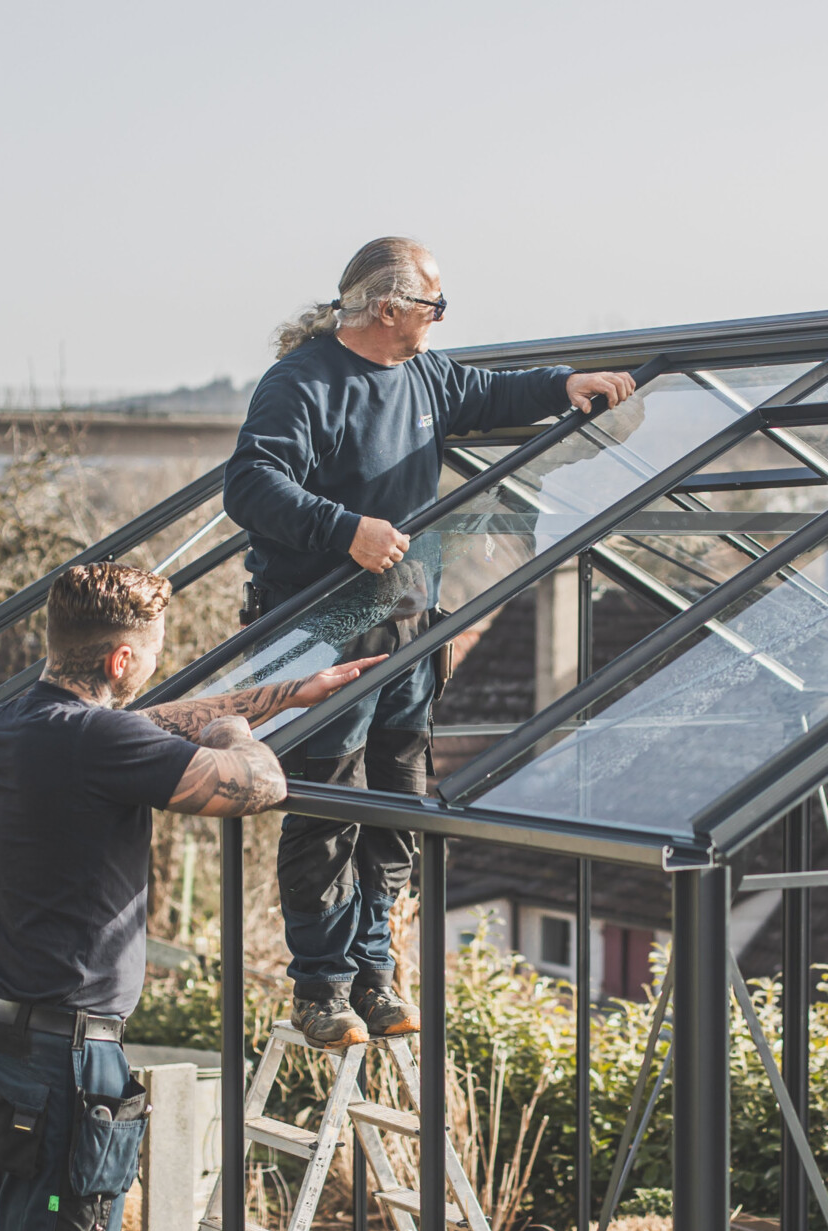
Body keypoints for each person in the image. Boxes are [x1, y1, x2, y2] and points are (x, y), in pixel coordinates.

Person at [0, 561, 382, 1231]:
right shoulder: (100, 745)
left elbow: (134, 729)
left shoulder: (4, 729)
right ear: (123, 660)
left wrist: (282, 694)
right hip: (55, 1077)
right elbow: (260, 787)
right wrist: (234, 733)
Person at [223, 236, 635, 1051]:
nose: (440, 320)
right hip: (319, 626)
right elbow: (251, 483)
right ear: (388, 308)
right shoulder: (301, 384)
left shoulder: (426, 376)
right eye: (432, 306)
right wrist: (346, 531)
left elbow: (488, 393)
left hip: (411, 620)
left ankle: (377, 971)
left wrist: (564, 386)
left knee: (399, 799)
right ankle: (322, 986)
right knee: (327, 801)